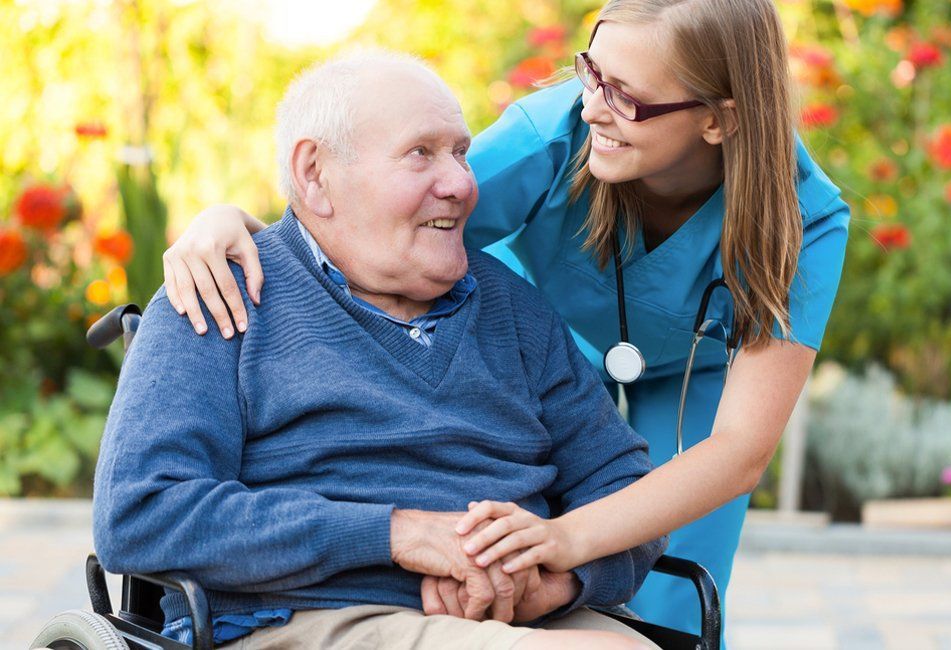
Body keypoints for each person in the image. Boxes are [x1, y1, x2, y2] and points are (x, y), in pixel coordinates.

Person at [159, 0, 850, 643]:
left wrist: (567, 550)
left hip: (693, 373)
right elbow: (366, 223)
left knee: (674, 606)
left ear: (719, 120)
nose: (592, 106)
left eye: (625, 96)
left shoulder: (805, 220)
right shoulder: (551, 137)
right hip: (550, 347)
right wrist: (231, 221)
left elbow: (739, 449)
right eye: (591, 72)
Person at [93, 51, 668, 650]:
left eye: (460, 153)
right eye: (421, 152)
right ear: (315, 173)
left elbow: (626, 488)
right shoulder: (219, 296)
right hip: (307, 617)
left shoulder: (514, 308)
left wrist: (559, 581)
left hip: (527, 618)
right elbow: (141, 512)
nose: (461, 183)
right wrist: (398, 535)